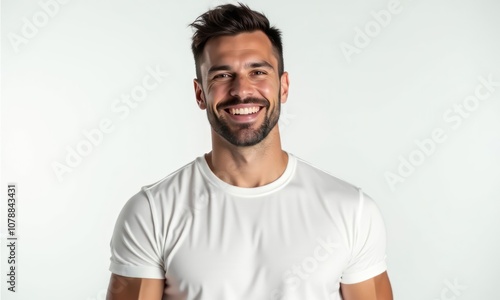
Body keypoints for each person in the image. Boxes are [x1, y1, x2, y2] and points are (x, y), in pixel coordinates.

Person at [106, 3, 393, 300]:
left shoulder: (352, 210)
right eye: (221, 75)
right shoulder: (152, 213)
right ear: (200, 93)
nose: (241, 90)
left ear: (283, 87)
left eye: (258, 71)